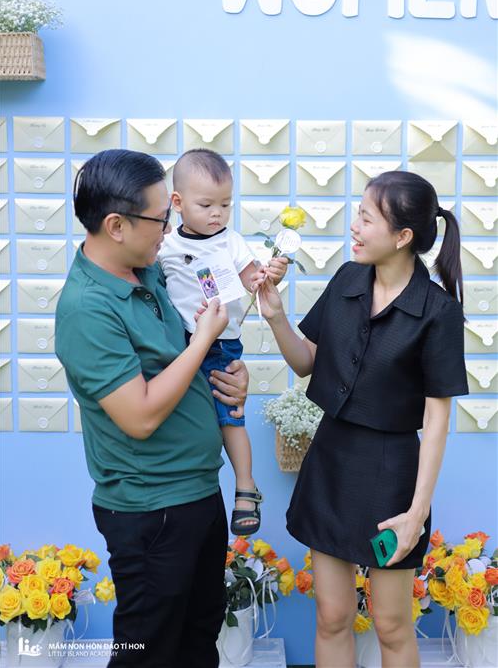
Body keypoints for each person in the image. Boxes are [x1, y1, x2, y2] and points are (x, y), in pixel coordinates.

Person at [253, 171, 469, 668]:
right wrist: (276, 316)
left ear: (403, 236)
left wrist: (416, 515)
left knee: (391, 624)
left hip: (392, 478)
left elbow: (436, 422)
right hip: (330, 464)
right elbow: (306, 362)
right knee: (332, 616)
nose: (354, 227)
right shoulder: (348, 279)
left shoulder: (437, 312)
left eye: (367, 218)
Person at [55, 149, 250, 668]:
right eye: (161, 219)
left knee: (198, 640)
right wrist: (200, 343)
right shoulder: (87, 308)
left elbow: (185, 356)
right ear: (116, 226)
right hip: (150, 508)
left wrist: (228, 373)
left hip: (198, 491)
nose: (170, 229)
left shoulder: (149, 272)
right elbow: (139, 416)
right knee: (147, 652)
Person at [158, 148, 288, 535]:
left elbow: (252, 280)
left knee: (229, 417)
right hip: (178, 345)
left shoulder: (231, 242)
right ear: (177, 203)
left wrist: (268, 275)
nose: (217, 213)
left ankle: (246, 488)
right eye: (206, 205)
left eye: (226, 204)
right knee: (183, 416)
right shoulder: (165, 246)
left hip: (219, 345)